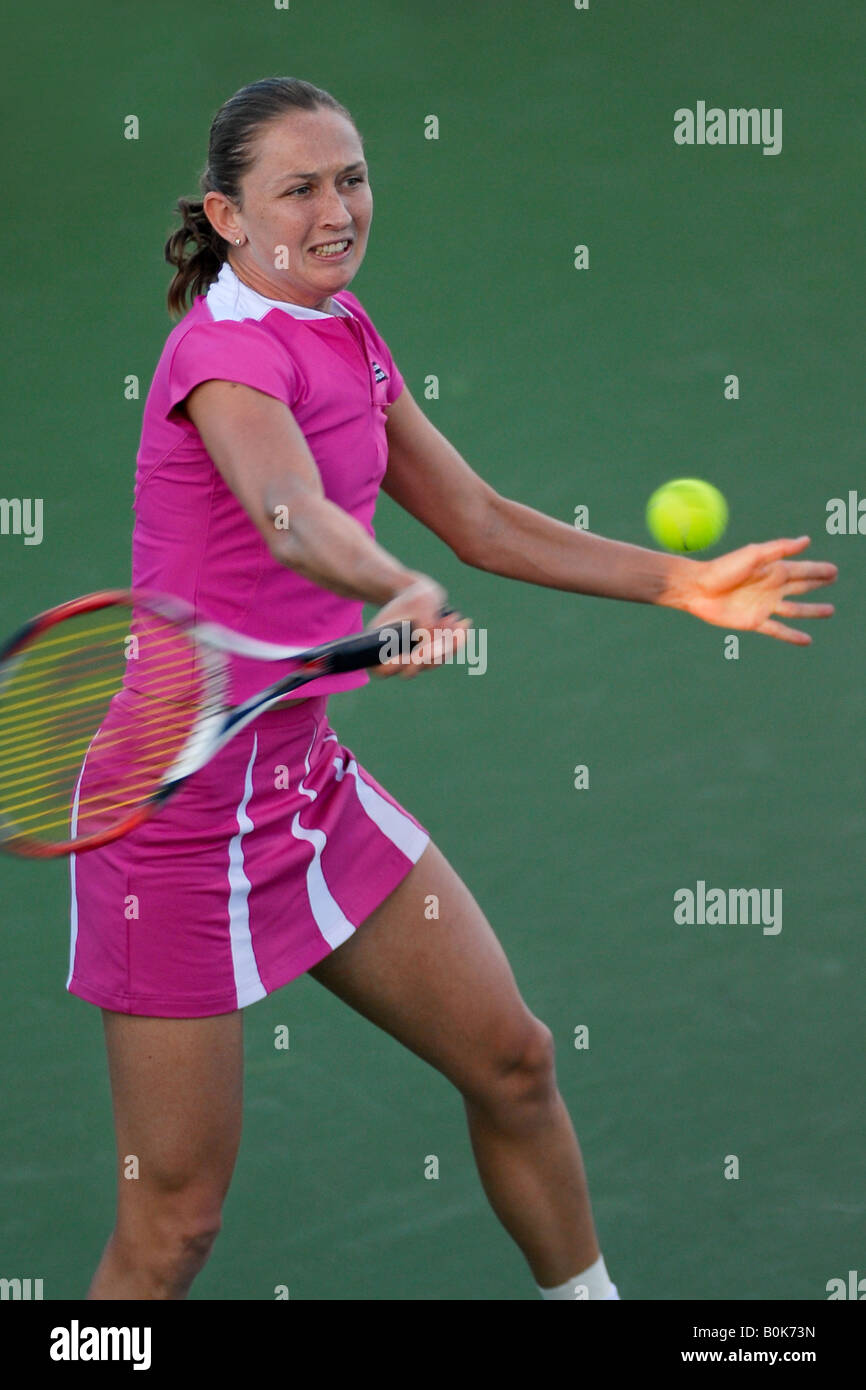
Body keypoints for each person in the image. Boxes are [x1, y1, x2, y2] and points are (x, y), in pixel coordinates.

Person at [71, 76, 836, 1301]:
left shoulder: (346, 329)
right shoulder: (216, 357)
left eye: (352, 177)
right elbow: (289, 514)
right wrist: (388, 584)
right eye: (299, 188)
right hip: (171, 819)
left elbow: (475, 516)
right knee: (173, 1230)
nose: (337, 210)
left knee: (513, 1062)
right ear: (225, 213)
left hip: (304, 787)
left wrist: (680, 584)